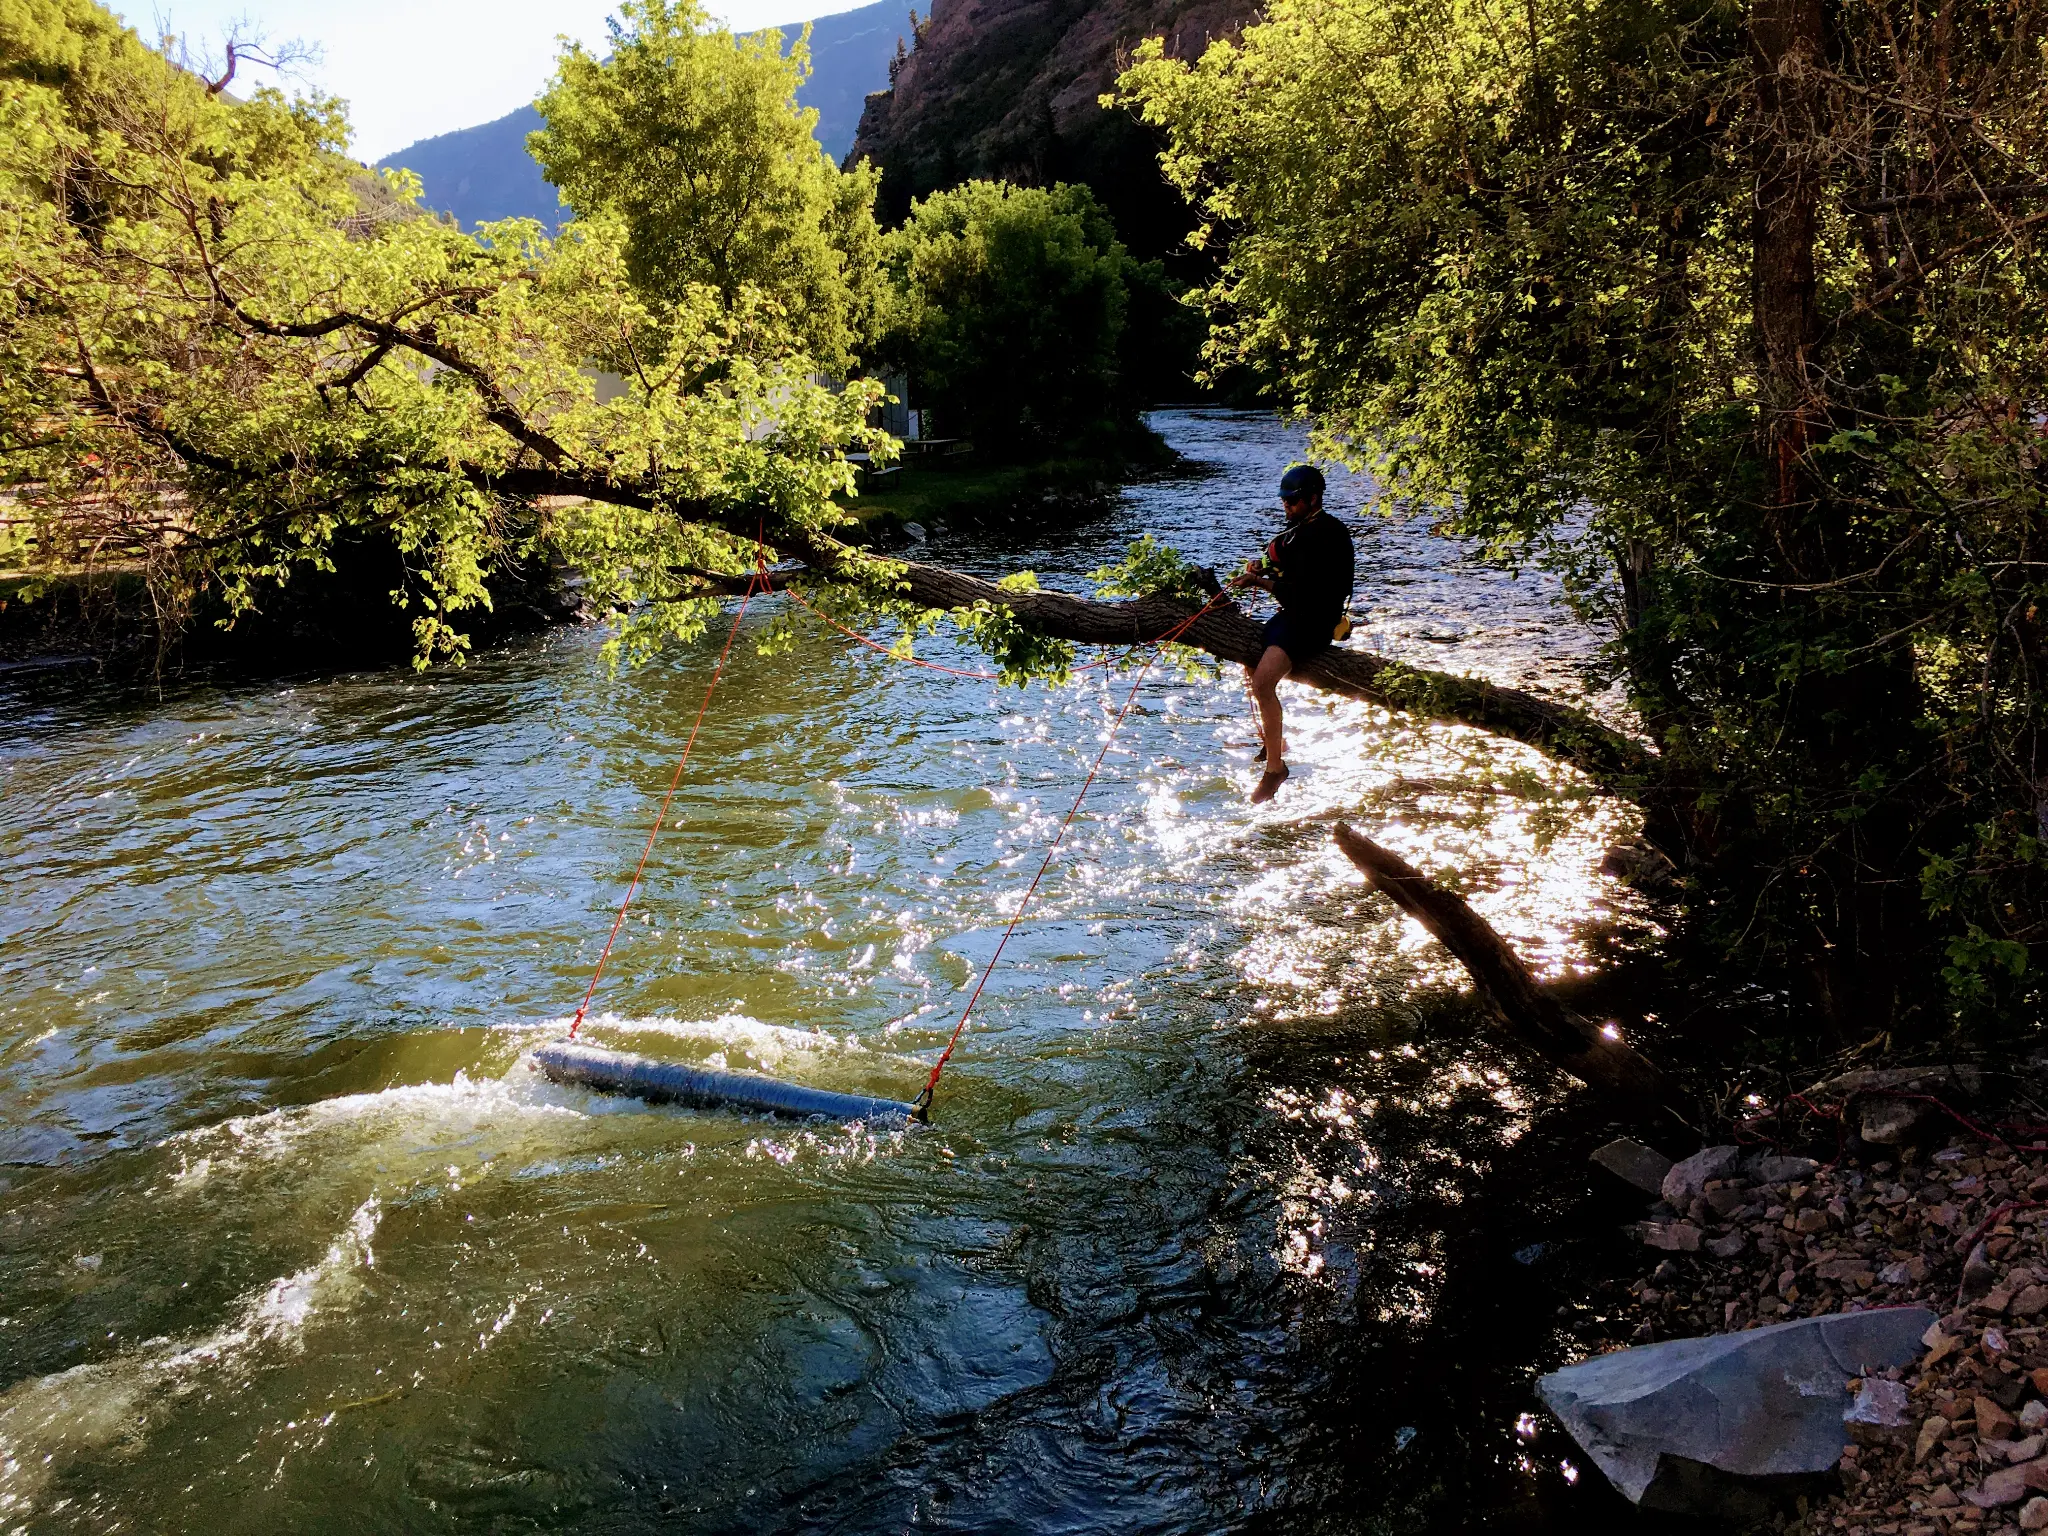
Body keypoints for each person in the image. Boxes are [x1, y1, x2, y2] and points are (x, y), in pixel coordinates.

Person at [1235, 464, 1355, 803]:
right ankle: (1277, 740)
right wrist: (1262, 567)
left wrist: (1259, 581)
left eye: (1294, 500)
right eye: (1285, 500)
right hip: (1294, 615)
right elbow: (1283, 556)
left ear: (1313, 499)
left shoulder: (1326, 536)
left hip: (1314, 621)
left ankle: (1275, 769)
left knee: (1262, 682)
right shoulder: (1303, 528)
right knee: (1247, 657)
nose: (1287, 506)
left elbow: (1297, 592)